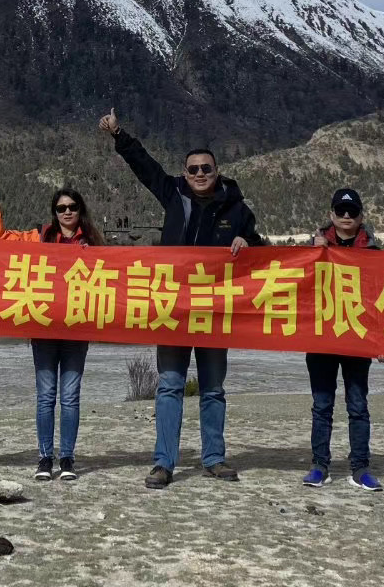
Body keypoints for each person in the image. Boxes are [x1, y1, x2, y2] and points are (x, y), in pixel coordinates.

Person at [98, 108, 266, 488]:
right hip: (173, 307)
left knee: (213, 389)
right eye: (193, 169)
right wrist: (119, 135)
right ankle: (164, 463)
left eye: (206, 168)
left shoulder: (237, 209)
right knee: (170, 385)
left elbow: (260, 248)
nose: (200, 175)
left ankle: (214, 459)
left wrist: (248, 242)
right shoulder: (173, 193)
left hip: (214, 312)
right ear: (185, 173)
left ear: (217, 171)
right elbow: (145, 167)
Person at [0, 185, 106, 481]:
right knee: (46, 396)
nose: (68, 212)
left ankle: (68, 459)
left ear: (80, 209)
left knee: (70, 397)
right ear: (54, 212)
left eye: (72, 207)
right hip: (44, 328)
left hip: (77, 329)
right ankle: (45, 457)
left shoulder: (95, 244)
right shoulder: (40, 237)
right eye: (61, 208)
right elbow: (3, 238)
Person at [303, 187, 384, 491]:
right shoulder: (313, 247)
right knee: (322, 404)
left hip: (358, 338)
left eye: (352, 212)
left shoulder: (373, 252)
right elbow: (294, 286)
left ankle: (360, 468)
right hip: (323, 338)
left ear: (361, 216)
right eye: (341, 212)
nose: (347, 217)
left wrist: (381, 340)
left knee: (358, 405)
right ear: (331, 215)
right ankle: (319, 465)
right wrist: (314, 252)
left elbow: (382, 298)